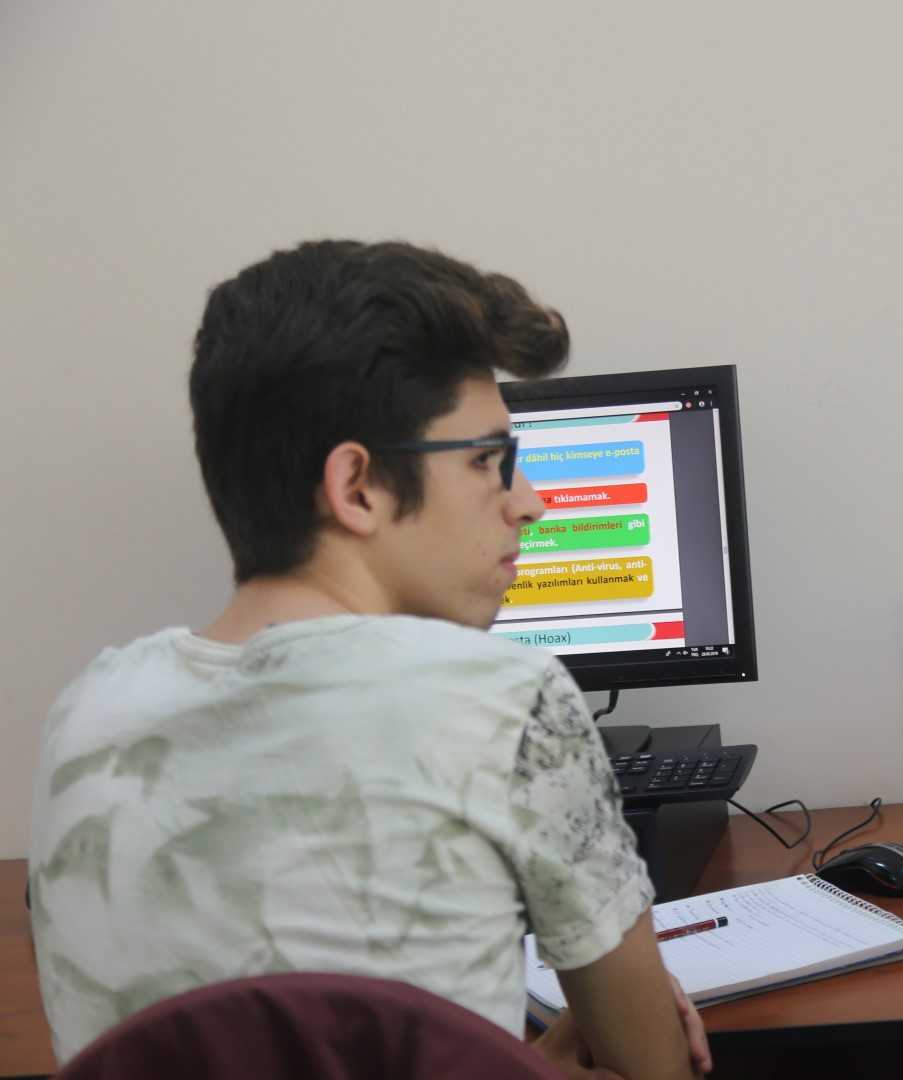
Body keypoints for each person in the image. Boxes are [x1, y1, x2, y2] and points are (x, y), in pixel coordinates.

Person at [29, 240, 709, 1080]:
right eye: (488, 460)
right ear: (357, 487)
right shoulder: (502, 700)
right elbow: (655, 1068)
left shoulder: (84, 714)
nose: (528, 503)